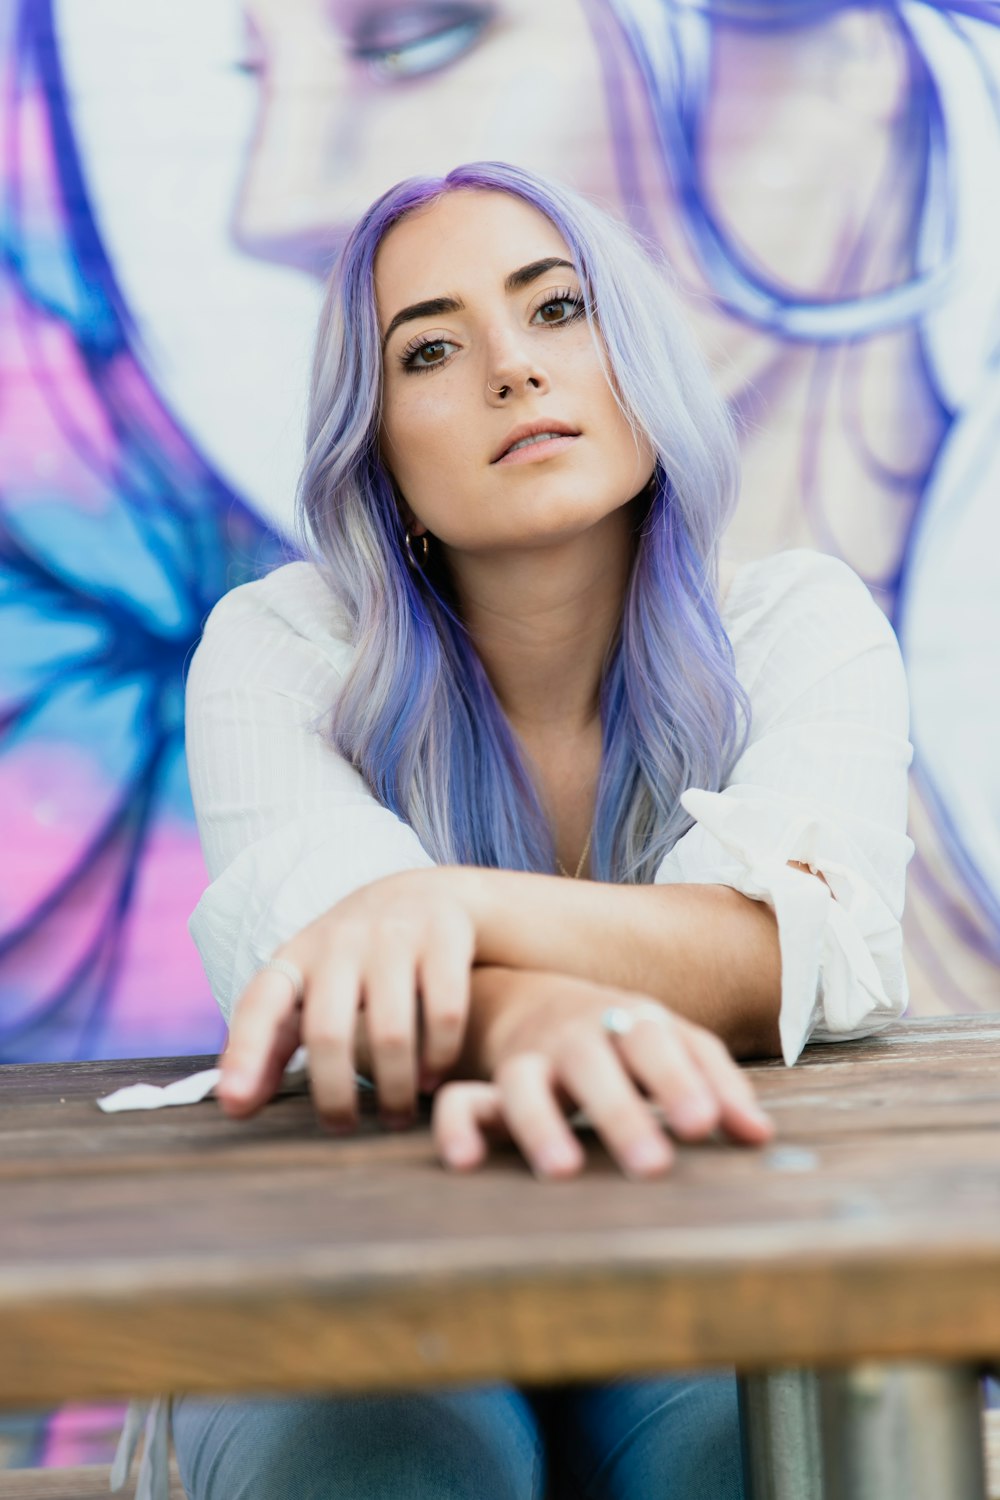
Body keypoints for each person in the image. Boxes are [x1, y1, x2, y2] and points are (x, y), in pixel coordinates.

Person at [130, 161, 914, 1500]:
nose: (511, 368)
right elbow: (351, 979)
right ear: (379, 452)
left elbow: (791, 954)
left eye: (556, 311)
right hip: (350, 1257)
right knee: (386, 1465)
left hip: (702, 1237)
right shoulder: (279, 650)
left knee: (744, 1453)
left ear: (638, 364)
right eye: (430, 347)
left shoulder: (799, 622)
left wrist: (462, 913)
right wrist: (535, 1017)